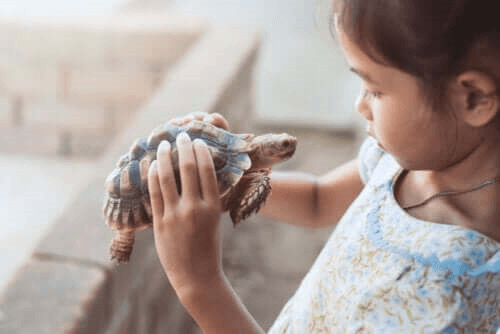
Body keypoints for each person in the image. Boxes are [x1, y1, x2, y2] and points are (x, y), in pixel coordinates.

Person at [147, 0, 500, 331]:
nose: (360, 105)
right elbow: (319, 199)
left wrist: (198, 283)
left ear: (474, 98)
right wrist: (231, 176)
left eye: (375, 90)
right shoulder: (405, 162)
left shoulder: (436, 299)